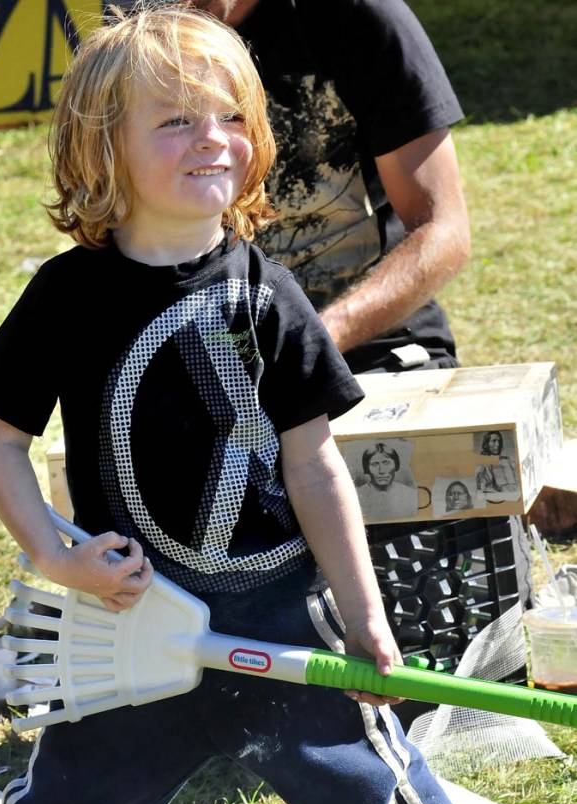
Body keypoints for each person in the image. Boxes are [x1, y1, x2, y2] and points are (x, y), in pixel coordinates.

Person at [0, 7, 545, 804]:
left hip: (277, 615)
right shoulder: (66, 298)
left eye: (226, 117)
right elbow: (0, 447)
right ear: (99, 147)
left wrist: (362, 610)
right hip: (126, 631)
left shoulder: (272, 295)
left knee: (371, 796)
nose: (210, 139)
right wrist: (58, 558)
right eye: (172, 122)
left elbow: (314, 465)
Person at [177, 0, 471, 375]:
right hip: (206, 356)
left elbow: (443, 230)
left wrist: (313, 339)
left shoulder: (356, 14)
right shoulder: (131, 35)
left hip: (370, 348)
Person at [356, 441, 418, 521]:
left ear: (396, 465)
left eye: (386, 463)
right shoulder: (356, 497)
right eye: (375, 464)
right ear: (367, 468)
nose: (381, 471)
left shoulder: (410, 495)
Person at [477, 430, 520, 495]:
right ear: (486, 444)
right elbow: (482, 488)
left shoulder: (506, 460)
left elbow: (514, 482)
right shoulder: (482, 464)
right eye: (494, 441)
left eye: (499, 441)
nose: (497, 444)